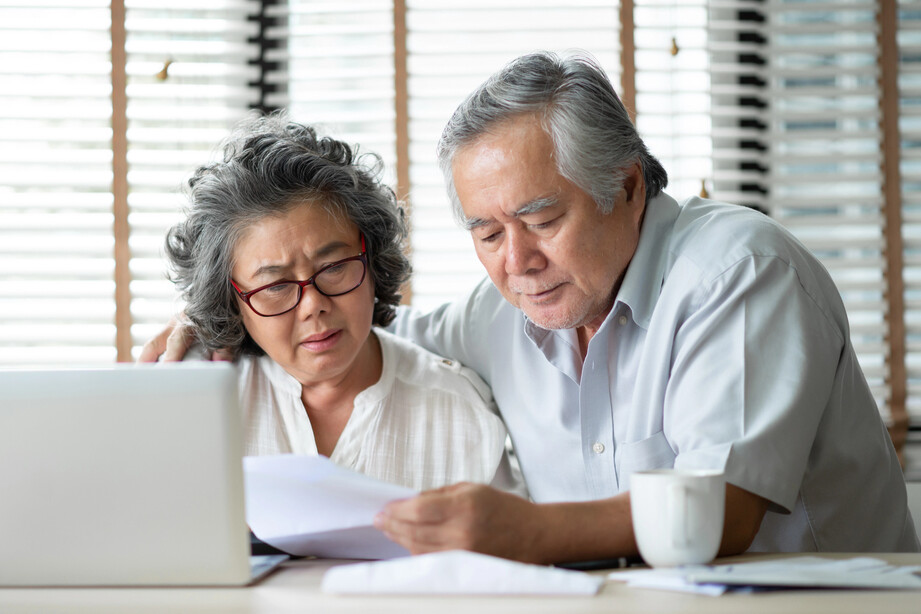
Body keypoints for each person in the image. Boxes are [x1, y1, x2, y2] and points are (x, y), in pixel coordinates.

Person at [145, 52, 919, 563]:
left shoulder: (738, 271)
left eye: (542, 220)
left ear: (625, 186)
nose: (515, 263)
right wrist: (220, 321)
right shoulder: (503, 311)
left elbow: (724, 512)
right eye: (485, 232)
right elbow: (360, 327)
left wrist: (522, 533)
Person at [161, 113, 524, 495]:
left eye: (334, 267)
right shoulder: (198, 399)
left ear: (372, 259)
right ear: (233, 299)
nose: (312, 305)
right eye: (276, 285)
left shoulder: (458, 413)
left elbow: (501, 548)